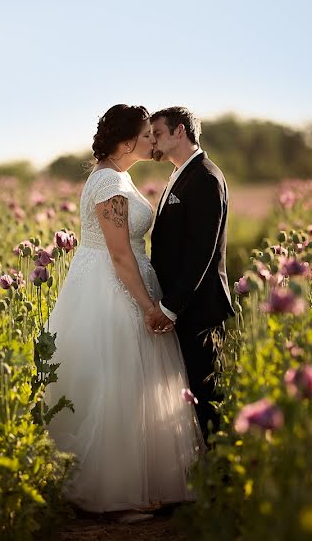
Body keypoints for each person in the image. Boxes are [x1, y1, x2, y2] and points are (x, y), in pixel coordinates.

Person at [44, 104, 204, 521]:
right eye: (146, 134)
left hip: (126, 277)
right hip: (112, 285)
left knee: (131, 386)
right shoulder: (110, 182)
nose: (153, 140)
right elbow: (118, 252)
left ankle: (141, 483)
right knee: (116, 384)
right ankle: (114, 491)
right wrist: (148, 305)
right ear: (127, 139)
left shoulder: (118, 177)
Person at [146, 106, 236, 440]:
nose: (152, 140)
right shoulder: (182, 173)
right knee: (191, 396)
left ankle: (222, 477)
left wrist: (171, 307)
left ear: (179, 131)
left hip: (198, 310)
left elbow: (201, 253)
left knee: (207, 398)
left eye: (157, 133)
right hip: (184, 307)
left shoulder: (205, 177)